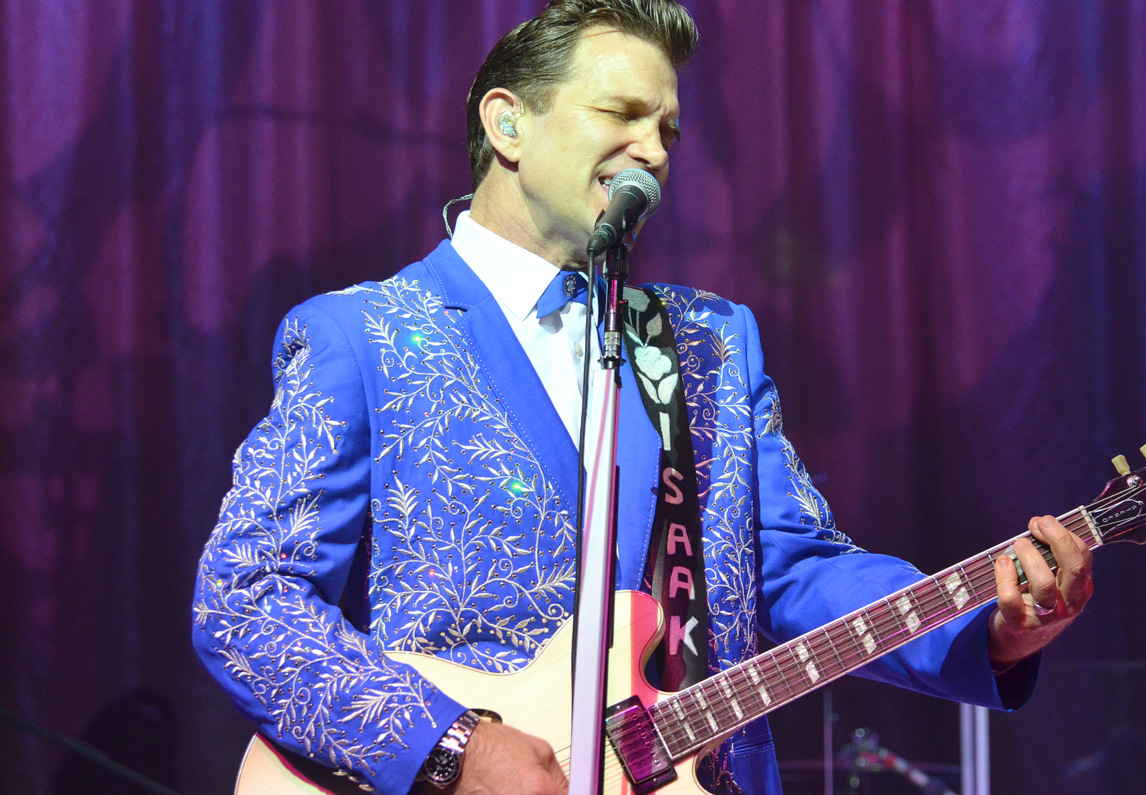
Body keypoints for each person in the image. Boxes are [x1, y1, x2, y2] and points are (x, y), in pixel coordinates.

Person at [192, 2, 1093, 794]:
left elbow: (793, 566)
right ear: (508, 124)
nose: (655, 151)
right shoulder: (364, 335)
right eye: (621, 113)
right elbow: (245, 596)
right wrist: (449, 746)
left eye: (667, 128)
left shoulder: (707, 343)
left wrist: (984, 624)